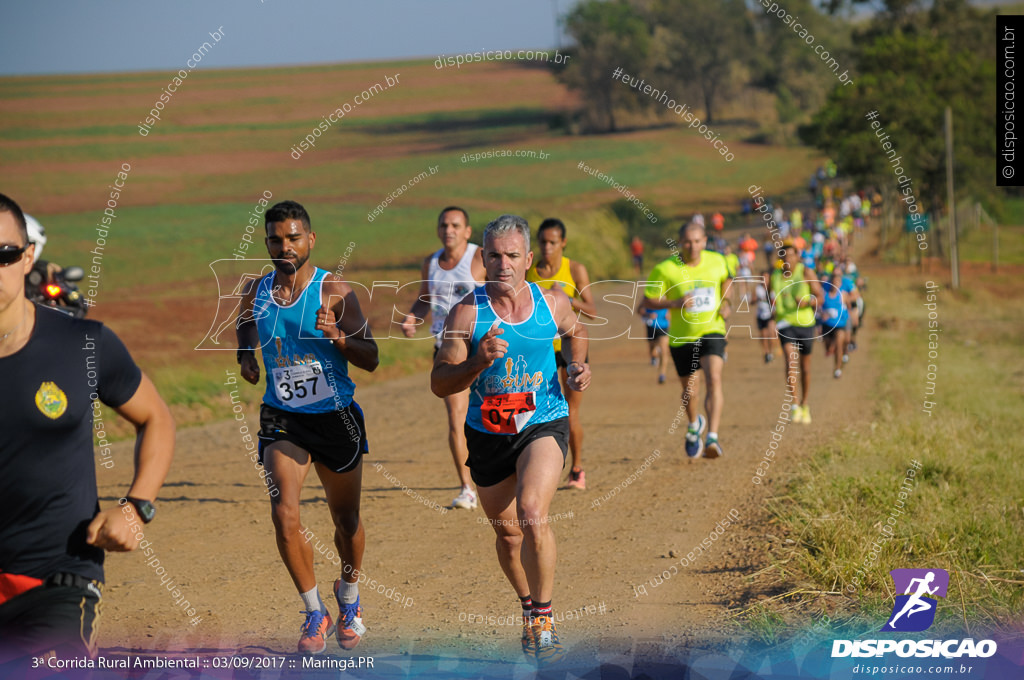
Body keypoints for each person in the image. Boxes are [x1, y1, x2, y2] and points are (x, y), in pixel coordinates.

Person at [0, 193, 175, 670]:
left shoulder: (83, 344)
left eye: (5, 255)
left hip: (56, 579)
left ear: (28, 257)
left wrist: (137, 507)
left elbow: (155, 417)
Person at [431, 214, 590, 668]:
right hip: (488, 435)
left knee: (533, 514)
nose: (503, 264)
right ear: (484, 257)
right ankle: (527, 606)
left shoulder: (552, 301)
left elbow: (576, 333)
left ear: (529, 259)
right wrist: (476, 363)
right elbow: (440, 382)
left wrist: (576, 366)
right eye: (495, 255)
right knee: (508, 533)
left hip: (543, 422)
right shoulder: (467, 313)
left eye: (513, 256)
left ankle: (544, 617)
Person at [236, 200, 379, 654]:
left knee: (346, 520)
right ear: (267, 242)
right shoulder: (255, 289)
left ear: (310, 240)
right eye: (276, 239)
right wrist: (245, 356)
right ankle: (314, 611)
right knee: (285, 513)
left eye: (293, 237)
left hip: (336, 418)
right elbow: (245, 326)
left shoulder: (333, 289)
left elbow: (371, 357)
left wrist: (338, 336)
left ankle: (349, 598)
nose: (285, 246)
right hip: (284, 418)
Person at [401, 206, 485, 509]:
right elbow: (425, 298)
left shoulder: (480, 257)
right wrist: (412, 317)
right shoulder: (431, 263)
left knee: (496, 410)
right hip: (447, 348)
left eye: (455, 225)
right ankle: (467, 488)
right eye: (444, 225)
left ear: (467, 231)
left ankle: (502, 472)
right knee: (456, 418)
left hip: (484, 347)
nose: (448, 230)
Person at [644, 221, 732, 458]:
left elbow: (727, 280)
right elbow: (648, 300)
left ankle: (712, 437)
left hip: (712, 329)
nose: (692, 246)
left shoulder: (717, 261)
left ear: (704, 241)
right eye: (687, 242)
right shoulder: (665, 269)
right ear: (680, 242)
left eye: (697, 241)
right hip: (682, 337)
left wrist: (726, 302)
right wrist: (674, 303)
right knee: (690, 392)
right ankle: (694, 425)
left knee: (714, 378)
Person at [526, 218, 597, 491]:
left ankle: (577, 469)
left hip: (570, 347)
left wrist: (565, 298)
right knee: (536, 410)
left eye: (552, 242)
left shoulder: (575, 269)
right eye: (542, 241)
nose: (547, 247)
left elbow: (592, 310)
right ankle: (536, 468)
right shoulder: (530, 272)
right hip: (541, 349)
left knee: (570, 411)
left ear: (563, 243)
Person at [770, 241, 824, 424]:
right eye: (784, 256)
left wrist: (807, 303)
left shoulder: (806, 272)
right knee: (790, 360)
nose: (787, 259)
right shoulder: (775, 276)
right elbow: (771, 298)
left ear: (797, 257)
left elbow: (820, 298)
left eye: (791, 255)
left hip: (806, 323)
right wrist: (772, 308)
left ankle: (805, 403)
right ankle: (794, 404)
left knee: (805, 367)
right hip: (785, 323)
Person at [821, 269, 851, 378]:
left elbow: (849, 307)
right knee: (828, 347)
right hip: (827, 325)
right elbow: (819, 308)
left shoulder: (843, 295)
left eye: (838, 282)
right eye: (834, 281)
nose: (836, 284)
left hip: (840, 325)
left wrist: (845, 314)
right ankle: (832, 347)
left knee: (839, 344)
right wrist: (823, 314)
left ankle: (837, 368)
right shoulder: (824, 294)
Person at [638, 302, 669, 384]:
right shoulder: (649, 295)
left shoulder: (668, 295)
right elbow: (639, 310)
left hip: (664, 326)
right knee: (652, 350)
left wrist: (670, 315)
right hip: (651, 326)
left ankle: (662, 374)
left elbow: (676, 307)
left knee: (664, 350)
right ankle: (654, 356)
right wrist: (648, 315)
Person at [754, 271, 776, 363]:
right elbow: (752, 300)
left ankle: (770, 352)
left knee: (771, 334)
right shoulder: (758, 288)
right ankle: (766, 353)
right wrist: (756, 299)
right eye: (763, 278)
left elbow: (776, 301)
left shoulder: (772, 288)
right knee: (763, 335)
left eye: (766, 277)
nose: (764, 280)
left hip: (771, 314)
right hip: (760, 314)